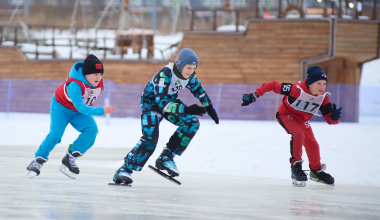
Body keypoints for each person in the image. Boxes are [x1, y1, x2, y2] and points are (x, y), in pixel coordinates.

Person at [112, 48, 219, 185]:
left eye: (193, 68)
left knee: (192, 123)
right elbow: (162, 104)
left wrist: (209, 108)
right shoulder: (165, 74)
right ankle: (124, 170)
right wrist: (186, 109)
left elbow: (199, 90)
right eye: (188, 68)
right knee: (151, 138)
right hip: (151, 104)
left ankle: (166, 157)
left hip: (170, 103)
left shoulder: (190, 76)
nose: (190, 71)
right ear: (180, 65)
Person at [241, 66, 342, 186]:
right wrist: (255, 95)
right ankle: (296, 167)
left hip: (301, 120)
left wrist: (334, 117)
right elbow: (272, 85)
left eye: (324, 83)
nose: (322, 87)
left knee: (313, 145)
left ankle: (316, 172)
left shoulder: (323, 98)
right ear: (309, 84)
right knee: (298, 134)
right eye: (318, 83)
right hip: (285, 115)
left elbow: (329, 120)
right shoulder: (296, 89)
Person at [24, 54, 115, 179]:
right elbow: (81, 107)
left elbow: (100, 88)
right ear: (86, 74)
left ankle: (70, 157)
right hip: (61, 108)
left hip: (77, 112)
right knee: (55, 135)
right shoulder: (75, 85)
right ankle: (37, 161)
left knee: (92, 130)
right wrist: (101, 111)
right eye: (95, 74)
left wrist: (102, 89)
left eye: (100, 74)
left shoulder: (99, 83)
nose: (98, 78)